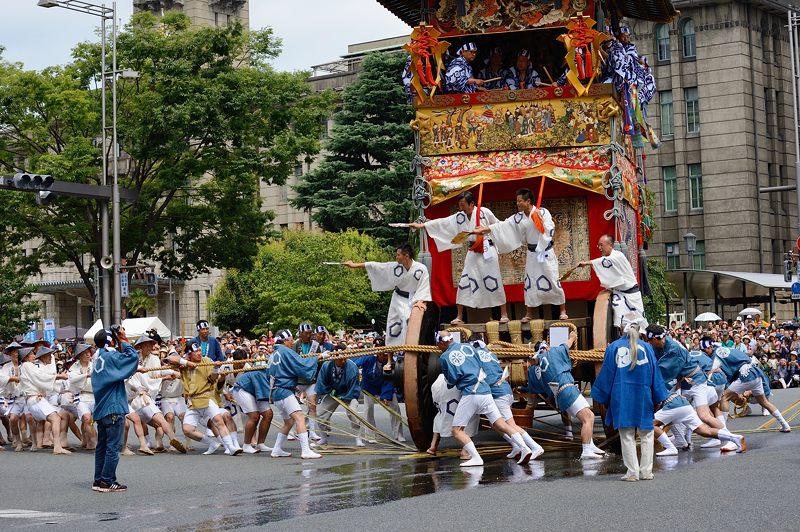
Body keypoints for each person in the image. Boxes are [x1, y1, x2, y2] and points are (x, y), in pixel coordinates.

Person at [410, 190, 509, 324]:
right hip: (473, 250)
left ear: (472, 204)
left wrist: (486, 228)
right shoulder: (460, 216)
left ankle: (503, 314)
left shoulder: (484, 212)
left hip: (487, 249)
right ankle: (459, 316)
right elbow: (443, 223)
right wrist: (422, 225)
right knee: (464, 282)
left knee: (494, 280)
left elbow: (499, 226)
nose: (461, 208)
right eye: (460, 205)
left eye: (463, 204)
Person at [436, 332, 533, 467]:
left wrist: (450, 380)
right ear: (451, 338)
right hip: (485, 390)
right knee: (502, 425)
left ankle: (476, 457)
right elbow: (480, 364)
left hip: (471, 393)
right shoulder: (468, 347)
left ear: (441, 343)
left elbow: (452, 380)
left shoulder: (444, 357)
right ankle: (525, 448)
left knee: (457, 431)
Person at [591, 315, 667, 481]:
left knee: (626, 434)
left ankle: (632, 472)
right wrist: (657, 397)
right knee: (647, 433)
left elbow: (607, 376)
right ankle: (646, 471)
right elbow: (655, 376)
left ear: (620, 329)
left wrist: (603, 398)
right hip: (644, 395)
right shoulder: (647, 348)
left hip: (621, 396)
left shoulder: (613, 348)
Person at [474, 188, 567, 321]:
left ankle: (562, 311)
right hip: (532, 254)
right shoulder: (518, 217)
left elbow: (550, 228)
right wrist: (485, 229)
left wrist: (540, 222)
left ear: (528, 201)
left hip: (545, 252)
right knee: (530, 281)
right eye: (517, 201)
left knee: (553, 279)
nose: (517, 204)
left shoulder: (542, 212)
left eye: (519, 201)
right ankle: (529, 313)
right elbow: (504, 226)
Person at [525, 333, 606, 459]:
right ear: (546, 348)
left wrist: (521, 388)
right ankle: (586, 450)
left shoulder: (534, 368)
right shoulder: (553, 352)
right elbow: (565, 346)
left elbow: (534, 387)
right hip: (567, 389)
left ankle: (590, 445)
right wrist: (573, 337)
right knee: (588, 417)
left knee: (586, 416)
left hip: (560, 394)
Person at [469, 334, 544, 460]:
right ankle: (516, 446)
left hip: (498, 393)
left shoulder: (473, 356)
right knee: (495, 423)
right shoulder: (490, 353)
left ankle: (535, 446)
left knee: (510, 425)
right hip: (505, 390)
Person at [344, 243, 431, 347]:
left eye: (398, 255)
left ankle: (408, 348)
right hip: (398, 298)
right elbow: (376, 266)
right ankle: (390, 355)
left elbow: (424, 287)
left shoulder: (421, 269)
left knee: (407, 319)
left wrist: (421, 301)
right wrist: (354, 265)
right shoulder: (396, 267)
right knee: (393, 325)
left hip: (413, 299)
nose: (396, 257)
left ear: (406, 256)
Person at [166, 343, 242, 456]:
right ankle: (212, 443)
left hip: (206, 398)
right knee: (187, 429)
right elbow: (168, 359)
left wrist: (216, 368)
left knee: (218, 421)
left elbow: (212, 378)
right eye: (196, 352)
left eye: (200, 351)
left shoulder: (206, 361)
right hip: (192, 402)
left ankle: (231, 447)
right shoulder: (183, 364)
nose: (199, 353)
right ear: (189, 354)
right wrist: (186, 362)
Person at [705, 338, 792, 433]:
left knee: (724, 398)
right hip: (755, 372)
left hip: (745, 374)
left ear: (710, 347)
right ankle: (785, 425)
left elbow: (716, 373)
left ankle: (723, 430)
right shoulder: (728, 348)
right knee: (764, 402)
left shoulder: (716, 356)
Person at [92, 327, 140, 492]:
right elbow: (132, 357)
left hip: (101, 407)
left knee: (102, 447)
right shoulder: (111, 355)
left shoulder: (96, 357)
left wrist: (116, 339)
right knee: (113, 446)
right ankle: (107, 481)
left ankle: (99, 479)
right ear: (111, 341)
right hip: (113, 406)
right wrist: (124, 339)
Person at [267, 330, 323, 459]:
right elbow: (301, 364)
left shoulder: (274, 354)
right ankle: (306, 450)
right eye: (291, 339)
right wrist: (319, 357)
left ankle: (276, 450)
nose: (293, 342)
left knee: (288, 422)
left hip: (276, 392)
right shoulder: (285, 351)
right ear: (285, 340)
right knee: (299, 417)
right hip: (284, 390)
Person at [576, 235, 647, 329]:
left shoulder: (617, 255)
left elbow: (605, 261)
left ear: (610, 245)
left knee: (641, 323)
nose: (600, 248)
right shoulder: (608, 258)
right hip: (619, 294)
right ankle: (622, 337)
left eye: (601, 245)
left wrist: (586, 263)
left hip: (632, 294)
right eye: (598, 246)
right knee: (620, 319)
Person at [18, 346, 71, 455]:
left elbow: (39, 379)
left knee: (53, 418)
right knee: (55, 418)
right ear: (27, 357)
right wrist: (59, 376)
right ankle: (57, 446)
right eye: (32, 354)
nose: (34, 356)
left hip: (34, 399)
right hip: (34, 399)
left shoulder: (27, 366)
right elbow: (40, 377)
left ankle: (48, 444)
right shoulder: (27, 365)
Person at [230, 349, 273, 454]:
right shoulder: (263, 371)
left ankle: (260, 443)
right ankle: (246, 445)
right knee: (254, 416)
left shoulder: (267, 370)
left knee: (268, 414)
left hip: (254, 390)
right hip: (241, 389)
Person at [315, 356, 364, 447]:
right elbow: (322, 382)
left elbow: (354, 386)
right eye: (341, 359)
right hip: (332, 392)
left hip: (349, 393)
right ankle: (323, 438)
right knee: (320, 413)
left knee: (353, 413)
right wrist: (329, 391)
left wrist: (345, 397)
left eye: (345, 358)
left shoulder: (352, 367)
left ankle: (358, 438)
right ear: (334, 358)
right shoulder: (327, 365)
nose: (343, 360)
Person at [293, 322, 326, 441]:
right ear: (300, 334)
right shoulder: (296, 345)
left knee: (312, 405)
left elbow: (319, 362)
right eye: (306, 333)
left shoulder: (315, 345)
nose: (309, 335)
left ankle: (312, 432)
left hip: (311, 379)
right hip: (298, 381)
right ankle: (293, 430)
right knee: (294, 408)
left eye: (310, 333)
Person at [67, 343, 97, 450]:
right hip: (81, 397)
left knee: (94, 421)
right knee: (87, 418)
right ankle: (94, 443)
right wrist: (86, 375)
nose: (88, 355)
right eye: (85, 353)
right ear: (79, 355)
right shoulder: (74, 367)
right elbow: (72, 379)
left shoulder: (95, 364)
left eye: (89, 352)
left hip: (95, 396)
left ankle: (89, 441)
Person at [0, 342, 25, 451]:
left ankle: (28, 438)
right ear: (10, 354)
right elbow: (3, 379)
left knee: (27, 417)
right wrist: (14, 378)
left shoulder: (25, 365)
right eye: (14, 352)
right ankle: (16, 439)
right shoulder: (6, 366)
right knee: (13, 418)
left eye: (18, 352)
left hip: (25, 396)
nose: (16, 354)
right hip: (10, 396)